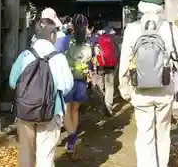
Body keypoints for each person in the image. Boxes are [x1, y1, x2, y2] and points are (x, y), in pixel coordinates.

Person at [118, 0, 178, 167]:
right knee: (163, 132)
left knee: (144, 133)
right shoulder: (170, 28)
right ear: (159, 7)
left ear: (141, 6)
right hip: (164, 89)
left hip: (140, 90)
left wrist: (124, 87)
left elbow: (124, 62)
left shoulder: (131, 29)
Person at [9, 18, 74, 167]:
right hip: (51, 111)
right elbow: (66, 86)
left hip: (25, 110)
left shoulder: (24, 55)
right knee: (45, 155)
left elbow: (13, 82)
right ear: (52, 35)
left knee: (26, 152)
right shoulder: (59, 58)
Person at [63, 13, 92, 153]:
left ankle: (72, 138)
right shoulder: (88, 43)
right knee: (75, 110)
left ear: (72, 25)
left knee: (66, 111)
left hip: (67, 79)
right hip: (81, 80)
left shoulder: (66, 41)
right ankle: (72, 141)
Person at [90, 21, 118, 117]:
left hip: (98, 66)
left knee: (99, 86)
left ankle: (102, 105)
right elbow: (116, 51)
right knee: (109, 85)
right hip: (110, 65)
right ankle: (108, 105)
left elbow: (90, 54)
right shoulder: (110, 37)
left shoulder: (93, 38)